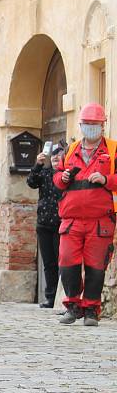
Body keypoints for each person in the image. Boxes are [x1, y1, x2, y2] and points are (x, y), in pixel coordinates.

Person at [53, 102, 117, 327]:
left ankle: (91, 310)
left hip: (100, 220)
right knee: (67, 262)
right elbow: (58, 178)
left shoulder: (113, 150)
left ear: (103, 126)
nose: (90, 127)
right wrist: (63, 178)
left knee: (95, 266)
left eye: (94, 124)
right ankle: (72, 306)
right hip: (71, 220)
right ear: (81, 125)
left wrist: (106, 180)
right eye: (86, 124)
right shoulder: (71, 150)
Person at [26, 145, 63, 309]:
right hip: (44, 224)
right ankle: (51, 297)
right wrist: (38, 164)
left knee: (62, 261)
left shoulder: (66, 176)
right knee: (49, 263)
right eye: (53, 156)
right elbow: (31, 182)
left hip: (62, 224)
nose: (55, 158)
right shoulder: (45, 173)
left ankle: (62, 297)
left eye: (59, 155)